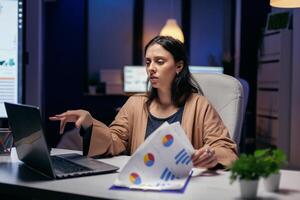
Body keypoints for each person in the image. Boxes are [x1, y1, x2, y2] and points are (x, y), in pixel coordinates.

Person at [50, 36, 237, 169]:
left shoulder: (199, 105)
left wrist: (211, 155)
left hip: (184, 188)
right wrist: (90, 122)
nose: (151, 68)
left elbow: (225, 149)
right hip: (139, 185)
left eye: (160, 61)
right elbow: (115, 142)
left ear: (178, 67)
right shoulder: (135, 104)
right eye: (148, 62)